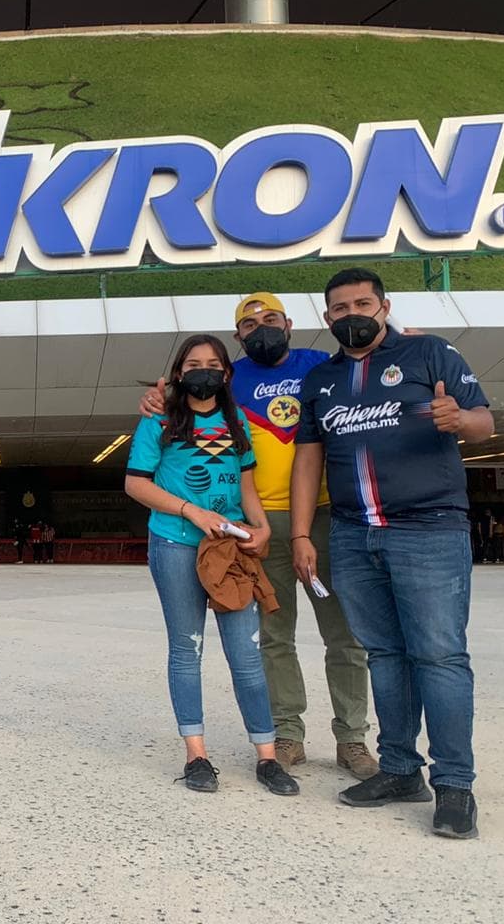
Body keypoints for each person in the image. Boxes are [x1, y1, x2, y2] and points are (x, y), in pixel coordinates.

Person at [291, 267, 493, 840]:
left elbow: (484, 419)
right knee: (383, 654)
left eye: (362, 303)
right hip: (354, 535)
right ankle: (401, 769)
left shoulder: (431, 353)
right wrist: (302, 534)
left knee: (440, 656)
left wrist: (461, 420)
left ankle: (455, 785)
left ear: (383, 307)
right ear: (327, 318)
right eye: (340, 308)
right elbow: (309, 459)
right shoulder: (322, 379)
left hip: (428, 529)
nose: (352, 314)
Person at [139, 290, 375, 778]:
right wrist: (156, 398)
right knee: (272, 633)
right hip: (252, 527)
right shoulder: (230, 383)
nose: (262, 329)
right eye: (250, 325)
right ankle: (286, 733)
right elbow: (176, 422)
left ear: (289, 323)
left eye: (271, 319)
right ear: (237, 338)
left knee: (344, 632)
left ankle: (352, 738)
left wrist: (404, 345)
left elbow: (369, 360)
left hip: (325, 516)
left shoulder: (320, 365)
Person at [125, 333, 297, 797]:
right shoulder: (160, 418)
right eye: (194, 363)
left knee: (246, 654)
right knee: (187, 649)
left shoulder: (236, 419)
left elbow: (247, 486)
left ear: (227, 373)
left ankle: (267, 757)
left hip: (230, 552)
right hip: (176, 544)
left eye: (214, 363)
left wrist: (261, 527)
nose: (205, 370)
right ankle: (196, 755)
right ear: (179, 372)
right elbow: (136, 484)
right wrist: (192, 511)